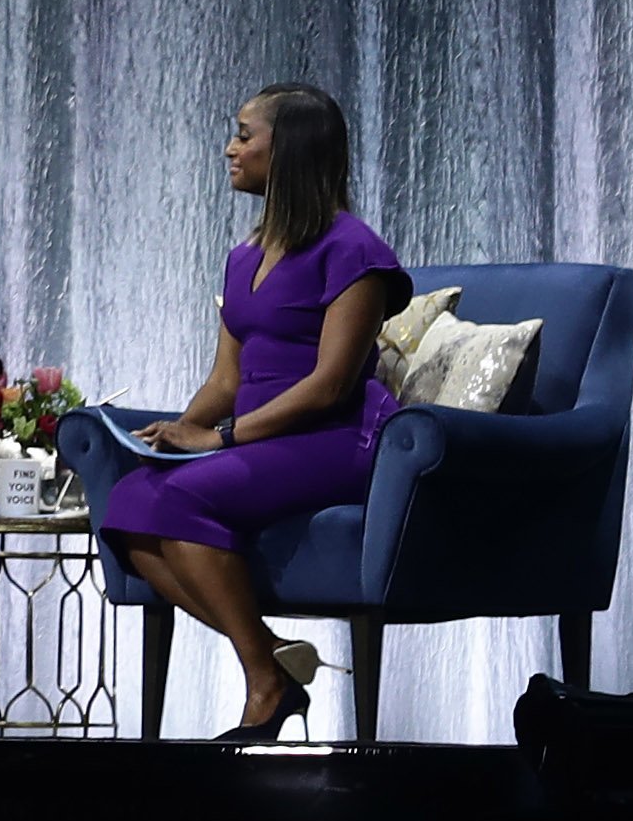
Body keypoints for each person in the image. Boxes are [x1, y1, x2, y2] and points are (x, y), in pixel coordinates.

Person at [103, 81, 408, 742]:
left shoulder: (354, 252)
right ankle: (270, 659)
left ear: (289, 149)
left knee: (179, 502)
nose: (229, 148)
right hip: (258, 439)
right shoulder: (244, 256)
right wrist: (171, 436)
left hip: (333, 440)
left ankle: (265, 683)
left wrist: (222, 437)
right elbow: (225, 377)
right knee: (128, 503)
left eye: (244, 135)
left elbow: (329, 385)